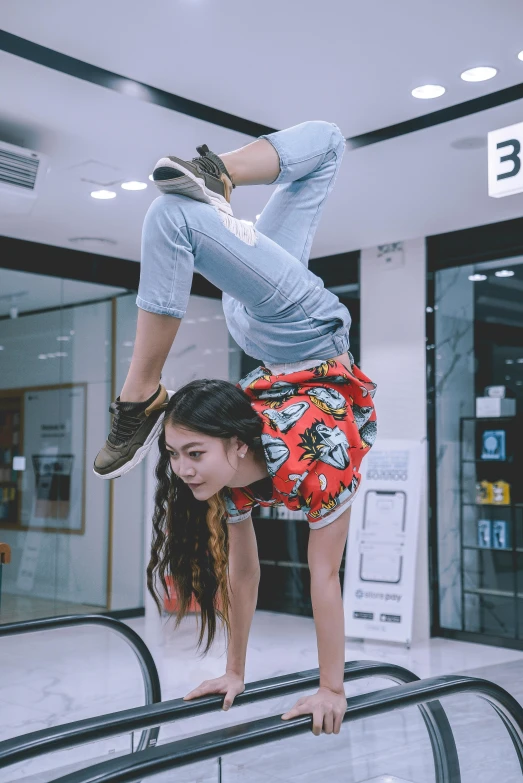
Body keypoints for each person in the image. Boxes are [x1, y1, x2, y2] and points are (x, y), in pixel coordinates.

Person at [94, 121, 377, 736]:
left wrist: (237, 668)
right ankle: (141, 395)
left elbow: (242, 576)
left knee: (175, 217)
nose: (184, 469)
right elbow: (305, 577)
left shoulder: (233, 485)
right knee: (324, 145)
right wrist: (322, 686)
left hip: (258, 330)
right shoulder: (317, 468)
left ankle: (140, 394)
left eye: (185, 454)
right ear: (240, 446)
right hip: (306, 329)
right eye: (182, 454)